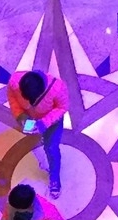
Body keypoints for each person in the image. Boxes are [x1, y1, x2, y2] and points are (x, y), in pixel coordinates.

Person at [6, 68, 70, 196]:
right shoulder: (14, 81)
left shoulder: (57, 88)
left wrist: (43, 123)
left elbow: (62, 107)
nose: (29, 103)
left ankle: (54, 178)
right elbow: (12, 98)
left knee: (51, 148)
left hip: (53, 122)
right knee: (40, 141)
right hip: (31, 118)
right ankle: (42, 139)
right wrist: (21, 116)